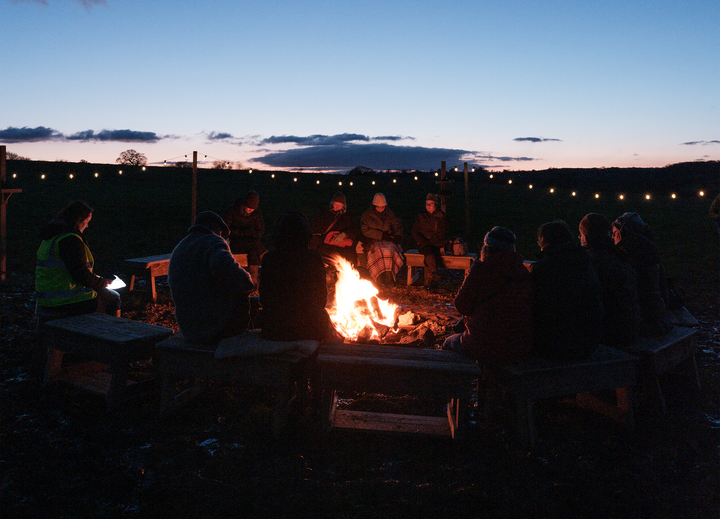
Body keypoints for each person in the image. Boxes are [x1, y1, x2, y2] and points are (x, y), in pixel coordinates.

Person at [442, 227, 533, 365]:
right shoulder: (521, 272)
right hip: (517, 343)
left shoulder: (481, 269)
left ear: (487, 248)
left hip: (484, 341)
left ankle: (453, 382)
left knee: (448, 342)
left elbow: (461, 305)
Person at [168, 211, 254, 347]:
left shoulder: (182, 246)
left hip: (189, 327)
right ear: (214, 227)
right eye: (220, 232)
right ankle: (241, 345)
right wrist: (248, 283)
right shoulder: (212, 241)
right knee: (248, 301)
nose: (221, 236)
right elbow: (232, 273)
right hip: (211, 326)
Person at [529, 221, 603, 361]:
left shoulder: (543, 268)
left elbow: (533, 308)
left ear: (545, 242)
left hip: (556, 345)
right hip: (589, 343)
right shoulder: (585, 263)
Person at [259, 212, 337, 342]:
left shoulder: (270, 259)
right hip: (309, 328)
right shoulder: (313, 258)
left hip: (275, 328)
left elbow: (265, 296)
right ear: (306, 236)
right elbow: (321, 298)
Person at [35, 201, 120, 317]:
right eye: (87, 222)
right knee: (112, 298)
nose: (87, 226)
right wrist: (101, 283)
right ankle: (107, 332)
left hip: (45, 298)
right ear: (78, 221)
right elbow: (80, 274)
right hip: (67, 300)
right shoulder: (70, 240)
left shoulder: (51, 238)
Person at [579, 213, 641, 347]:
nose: (579, 238)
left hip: (611, 333)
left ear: (588, 236)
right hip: (630, 327)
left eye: (581, 234)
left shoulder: (594, 262)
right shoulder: (618, 255)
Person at [612, 212, 672, 336]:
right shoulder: (648, 248)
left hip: (647, 320)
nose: (612, 237)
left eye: (614, 233)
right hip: (659, 315)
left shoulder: (631, 254)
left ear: (623, 233)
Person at [360, 193, 404, 287]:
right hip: (373, 241)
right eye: (378, 207)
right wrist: (380, 235)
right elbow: (365, 231)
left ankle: (389, 278)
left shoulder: (389, 214)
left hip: (387, 240)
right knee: (378, 252)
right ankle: (377, 279)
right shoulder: (367, 215)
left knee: (390, 250)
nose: (380, 209)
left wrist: (397, 235)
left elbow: (397, 225)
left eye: (382, 207)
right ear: (374, 206)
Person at [223, 190, 265, 286]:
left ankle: (253, 283)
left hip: (251, 242)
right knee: (255, 245)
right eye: (248, 207)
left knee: (254, 253)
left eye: (252, 209)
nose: (250, 210)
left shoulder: (257, 213)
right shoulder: (233, 211)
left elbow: (261, 230)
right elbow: (226, 229)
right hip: (236, 241)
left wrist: (253, 233)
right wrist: (241, 233)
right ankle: (265, 256)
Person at [310, 191, 358, 268]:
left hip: (340, 247)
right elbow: (316, 228)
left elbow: (353, 230)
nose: (336, 207)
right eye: (335, 204)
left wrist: (344, 234)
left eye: (339, 205)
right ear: (332, 203)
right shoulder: (324, 214)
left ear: (343, 206)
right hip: (324, 244)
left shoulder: (347, 217)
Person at [411, 193, 449, 287]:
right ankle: (434, 274)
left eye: (430, 204)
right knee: (428, 251)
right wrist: (422, 241)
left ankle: (429, 280)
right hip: (424, 244)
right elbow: (415, 231)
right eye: (427, 204)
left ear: (435, 205)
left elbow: (443, 232)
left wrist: (436, 242)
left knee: (432, 253)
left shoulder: (441, 217)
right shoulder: (422, 216)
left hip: (436, 244)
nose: (428, 206)